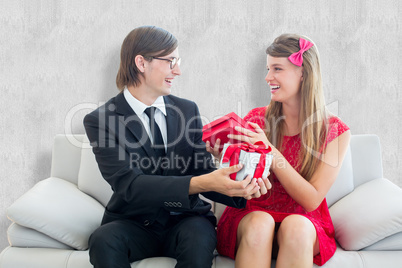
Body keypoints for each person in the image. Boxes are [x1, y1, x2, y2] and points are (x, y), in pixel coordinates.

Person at [83, 26, 269, 268]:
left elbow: (202, 171)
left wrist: (239, 188)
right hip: (133, 221)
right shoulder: (101, 120)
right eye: (171, 61)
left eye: (177, 61)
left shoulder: (186, 110)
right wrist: (203, 183)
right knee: (103, 240)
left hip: (187, 219)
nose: (178, 71)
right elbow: (128, 184)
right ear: (141, 62)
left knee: (199, 239)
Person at [209, 34, 351, 267]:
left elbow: (312, 200)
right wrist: (221, 156)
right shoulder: (256, 119)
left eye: (277, 68)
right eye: (268, 68)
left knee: (297, 227)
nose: (267, 77)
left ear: (303, 73)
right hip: (252, 216)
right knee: (260, 224)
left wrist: (271, 152)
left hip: (303, 220)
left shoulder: (335, 131)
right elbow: (238, 179)